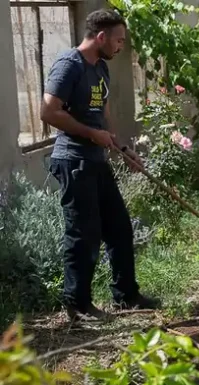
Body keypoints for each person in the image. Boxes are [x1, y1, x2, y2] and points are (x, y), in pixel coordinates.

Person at [40, 9, 160, 322]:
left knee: (119, 227)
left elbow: (102, 117)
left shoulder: (100, 69)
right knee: (84, 233)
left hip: (96, 159)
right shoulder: (70, 65)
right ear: (101, 36)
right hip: (73, 160)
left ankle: (127, 296)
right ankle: (77, 305)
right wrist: (92, 134)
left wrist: (123, 149)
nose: (121, 47)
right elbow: (49, 112)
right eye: (118, 40)